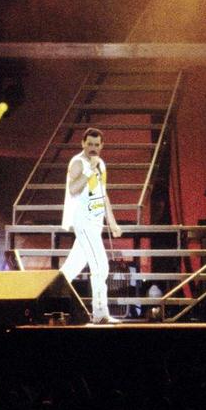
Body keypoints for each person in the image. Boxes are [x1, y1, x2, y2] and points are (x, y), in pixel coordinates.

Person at [60, 127, 124, 323]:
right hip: (83, 222)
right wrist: (89, 169)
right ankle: (100, 314)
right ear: (83, 144)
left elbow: (103, 194)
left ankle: (45, 302)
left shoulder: (101, 164)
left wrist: (112, 222)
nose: (93, 148)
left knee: (69, 271)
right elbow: (72, 189)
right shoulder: (78, 163)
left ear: (102, 145)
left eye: (97, 145)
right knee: (100, 267)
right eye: (90, 144)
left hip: (95, 223)